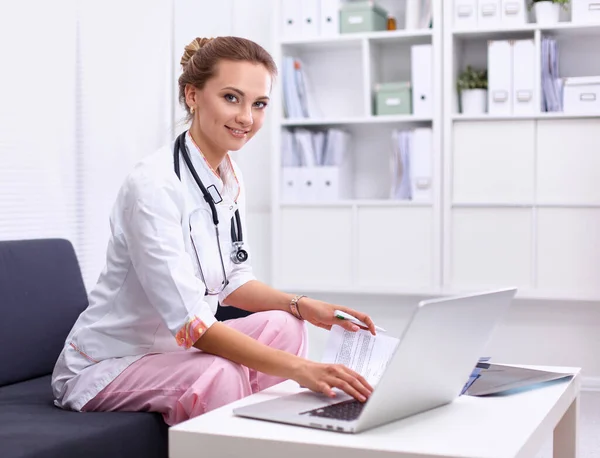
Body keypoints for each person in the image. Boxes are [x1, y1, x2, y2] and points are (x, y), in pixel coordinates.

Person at [51, 36, 375, 426]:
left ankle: (272, 433)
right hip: (110, 363)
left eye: (259, 104)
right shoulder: (152, 187)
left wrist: (303, 305)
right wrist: (301, 369)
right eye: (231, 98)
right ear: (193, 95)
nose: (246, 118)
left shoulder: (227, 176)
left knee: (285, 324)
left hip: (174, 352)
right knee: (220, 372)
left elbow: (234, 282)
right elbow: (195, 325)